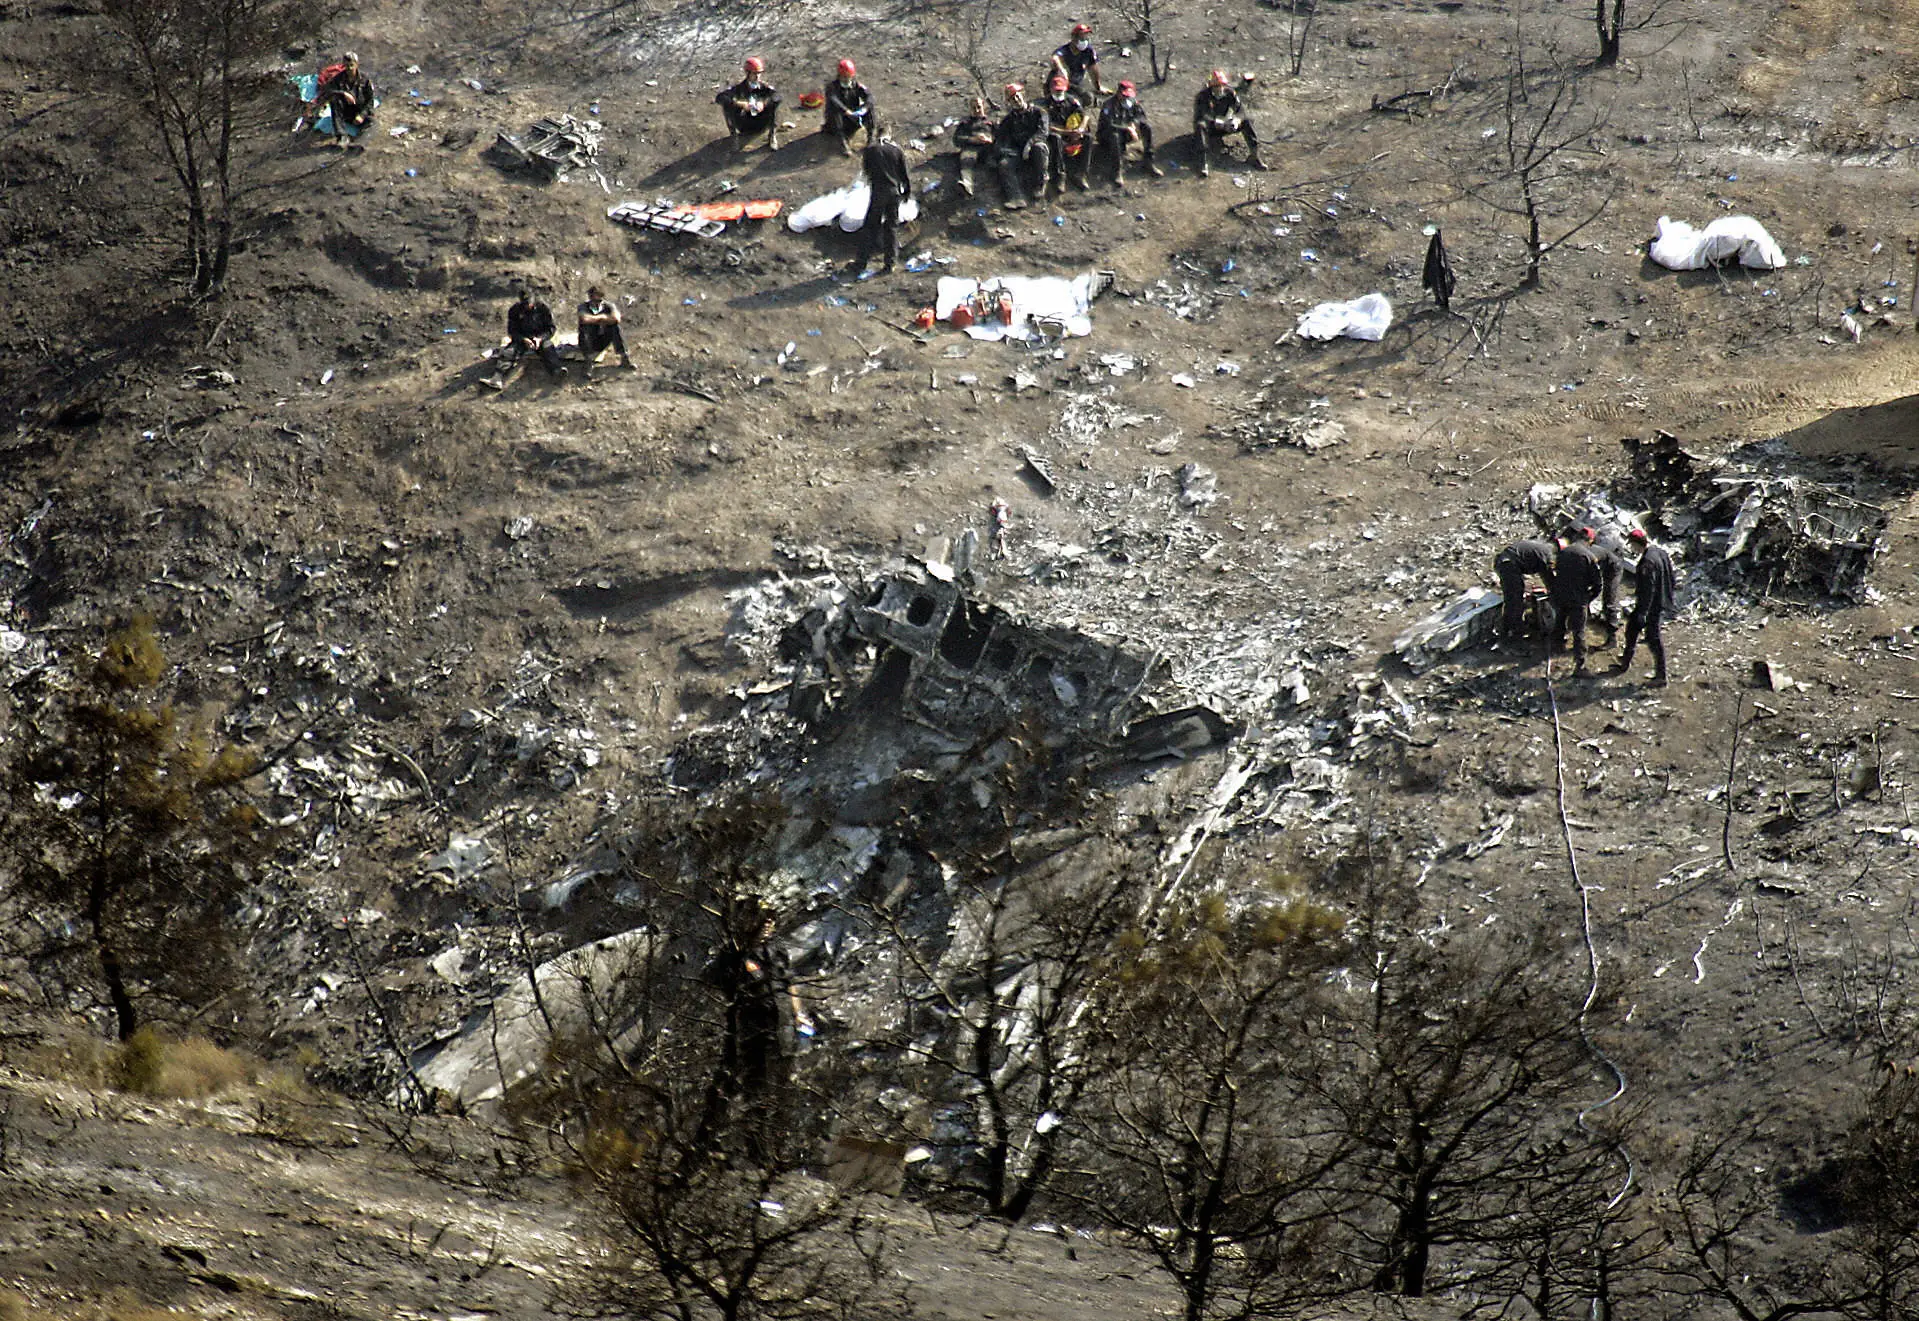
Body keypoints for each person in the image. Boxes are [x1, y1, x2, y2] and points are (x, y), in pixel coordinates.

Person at [1613, 527, 1676, 686]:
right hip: (1660, 600)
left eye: (1632, 545)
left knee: (1652, 637)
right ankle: (1625, 662)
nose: (1632, 548)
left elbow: (1648, 590)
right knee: (1632, 630)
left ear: (1637, 543)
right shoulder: (1659, 552)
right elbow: (1671, 574)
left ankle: (1661, 676)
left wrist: (1643, 612)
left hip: (1649, 606)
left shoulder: (1646, 563)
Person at [851, 135, 911, 275]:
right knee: (891, 227)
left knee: (870, 227)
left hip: (878, 192)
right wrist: (906, 193)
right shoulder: (896, 150)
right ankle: (890, 263)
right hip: (894, 192)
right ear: (889, 136)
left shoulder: (870, 150)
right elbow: (904, 175)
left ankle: (861, 263)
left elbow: (866, 171)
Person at [1192, 69, 1266, 177]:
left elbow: (1240, 110)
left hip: (1227, 124)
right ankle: (1203, 162)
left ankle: (1254, 156)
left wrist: (1236, 120)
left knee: (1247, 121)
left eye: (1221, 86)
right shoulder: (1202, 97)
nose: (1219, 89)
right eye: (1216, 86)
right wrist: (1214, 121)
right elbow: (1201, 115)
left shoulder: (1230, 93)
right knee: (1200, 126)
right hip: (1211, 126)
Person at [1550, 531, 1604, 675]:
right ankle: (1580, 665)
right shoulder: (1589, 556)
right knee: (1579, 631)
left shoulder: (1563, 552)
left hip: (1561, 595)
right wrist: (1589, 599)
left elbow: (1556, 573)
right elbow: (1598, 584)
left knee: (1560, 620)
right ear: (1590, 541)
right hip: (1578, 599)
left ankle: (1556, 646)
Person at [993, 83, 1051, 210]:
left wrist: (1029, 145)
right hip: (1017, 152)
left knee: (1040, 147)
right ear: (1009, 102)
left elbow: (1043, 132)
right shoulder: (1008, 120)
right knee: (1004, 164)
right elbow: (1000, 140)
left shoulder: (1039, 112)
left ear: (1023, 95)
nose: (1016, 100)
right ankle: (1016, 198)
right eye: (1012, 98)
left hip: (1035, 148)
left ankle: (1040, 184)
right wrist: (1005, 151)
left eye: (1017, 96)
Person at [1493, 536, 1558, 642]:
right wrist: (1554, 592)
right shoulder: (1548, 554)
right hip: (1508, 564)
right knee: (1514, 599)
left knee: (1515, 595)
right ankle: (1513, 632)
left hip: (1505, 561)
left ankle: (1510, 627)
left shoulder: (1541, 549)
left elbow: (1544, 574)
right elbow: (1548, 575)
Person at [1097, 80, 1161, 186]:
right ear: (1118, 92)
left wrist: (1133, 124)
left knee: (1146, 127)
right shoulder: (1109, 105)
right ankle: (1116, 170)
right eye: (1124, 95)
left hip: (1127, 133)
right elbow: (1109, 125)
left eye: (1128, 96)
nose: (1126, 98)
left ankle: (1148, 161)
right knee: (1115, 136)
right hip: (1108, 135)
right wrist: (1128, 129)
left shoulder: (1132, 102)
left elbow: (1141, 117)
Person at [495, 288, 565, 380]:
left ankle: (557, 371)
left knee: (548, 347)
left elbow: (551, 328)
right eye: (525, 304)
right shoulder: (515, 310)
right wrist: (523, 339)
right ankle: (498, 376)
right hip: (522, 339)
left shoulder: (543, 309)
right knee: (509, 352)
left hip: (540, 338)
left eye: (529, 303)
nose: (528, 306)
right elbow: (512, 330)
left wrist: (540, 338)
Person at [1038, 74, 1090, 194]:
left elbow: (1085, 115)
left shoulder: (1072, 101)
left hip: (1072, 133)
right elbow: (1047, 127)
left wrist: (1080, 129)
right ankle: (1060, 176)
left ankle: (1081, 174)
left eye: (1061, 90)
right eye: (1056, 90)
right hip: (1053, 136)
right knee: (1055, 138)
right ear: (1051, 89)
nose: (1058, 93)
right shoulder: (1043, 105)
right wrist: (1069, 132)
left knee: (1088, 138)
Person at [717, 57, 782, 151]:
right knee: (727, 106)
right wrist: (740, 104)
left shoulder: (764, 87)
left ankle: (772, 136)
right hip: (744, 123)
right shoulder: (739, 88)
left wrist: (764, 103)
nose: (757, 76)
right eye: (754, 73)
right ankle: (734, 137)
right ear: (748, 73)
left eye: (759, 73)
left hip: (762, 122)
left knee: (774, 104)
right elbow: (720, 98)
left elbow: (778, 96)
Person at [316, 52, 375, 147]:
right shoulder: (338, 79)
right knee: (334, 100)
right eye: (347, 66)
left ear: (357, 65)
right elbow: (327, 91)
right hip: (345, 112)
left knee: (372, 122)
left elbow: (370, 101)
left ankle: (359, 142)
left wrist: (362, 115)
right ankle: (342, 136)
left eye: (351, 65)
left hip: (359, 111)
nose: (349, 68)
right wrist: (343, 94)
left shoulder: (365, 80)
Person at [822, 58, 878, 155]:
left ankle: (871, 138)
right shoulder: (832, 87)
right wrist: (845, 111)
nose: (846, 79)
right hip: (837, 122)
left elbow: (869, 97)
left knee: (870, 108)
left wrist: (864, 108)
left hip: (853, 118)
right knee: (835, 111)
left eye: (848, 77)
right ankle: (843, 143)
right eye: (844, 77)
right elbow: (834, 101)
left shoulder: (856, 85)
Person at [1050, 22, 1108, 103]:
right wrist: (1062, 70)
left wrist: (1098, 87)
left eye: (1086, 37)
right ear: (1074, 37)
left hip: (1075, 84)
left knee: (1088, 98)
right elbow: (1055, 58)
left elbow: (1093, 69)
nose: (1084, 40)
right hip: (1060, 84)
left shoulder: (1089, 51)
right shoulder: (1065, 50)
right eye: (1081, 37)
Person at [576, 286, 631, 370]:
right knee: (585, 329)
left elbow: (616, 318)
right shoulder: (583, 306)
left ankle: (624, 357)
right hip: (590, 339)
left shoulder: (609, 306)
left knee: (615, 327)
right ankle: (588, 362)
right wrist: (603, 318)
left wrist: (596, 319)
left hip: (604, 337)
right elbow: (584, 319)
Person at [954, 95, 997, 197]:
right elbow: (956, 139)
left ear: (983, 106)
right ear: (970, 109)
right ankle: (967, 185)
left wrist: (990, 140)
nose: (977, 110)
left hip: (989, 149)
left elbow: (1002, 137)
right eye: (974, 108)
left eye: (979, 107)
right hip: (971, 149)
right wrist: (971, 139)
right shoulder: (965, 124)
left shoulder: (992, 123)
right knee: (966, 159)